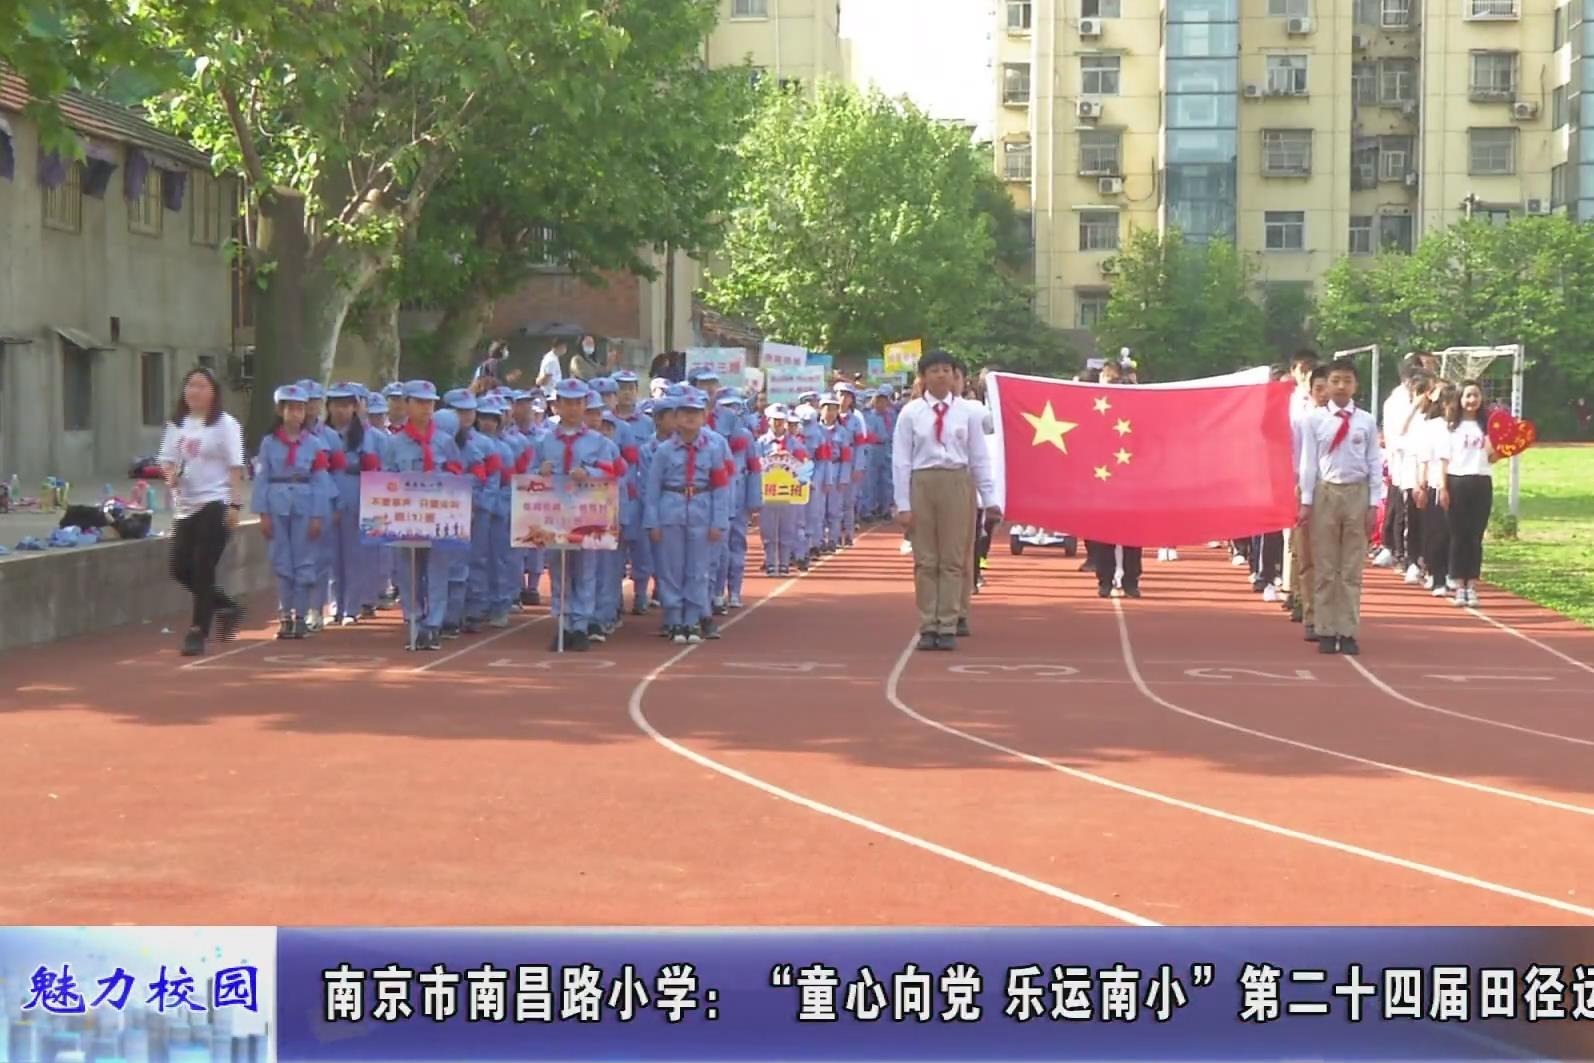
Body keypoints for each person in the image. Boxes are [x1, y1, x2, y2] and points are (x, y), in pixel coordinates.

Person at [892, 349, 999, 652]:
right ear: (923, 378)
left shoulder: (967, 412)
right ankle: (928, 623)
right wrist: (903, 504)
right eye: (934, 370)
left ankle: (949, 622)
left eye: (946, 370)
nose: (941, 375)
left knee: (953, 558)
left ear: (955, 377)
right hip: (922, 481)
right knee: (926, 559)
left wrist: (989, 498)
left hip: (957, 481)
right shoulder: (911, 413)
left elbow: (979, 457)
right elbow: (900, 459)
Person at [1298, 359, 1384, 656]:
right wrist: (1306, 502)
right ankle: (1324, 628)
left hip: (1356, 493)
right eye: (1335, 380)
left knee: (1351, 567)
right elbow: (1308, 462)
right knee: (1325, 565)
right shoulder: (1315, 420)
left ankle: (1347, 630)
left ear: (1355, 385)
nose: (1340, 386)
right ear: (1327, 384)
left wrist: (1374, 502)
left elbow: (1374, 462)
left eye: (1347, 380)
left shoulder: (1366, 421)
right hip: (1325, 492)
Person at [160, 366, 247, 657]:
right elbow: (167, 460)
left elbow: (236, 467)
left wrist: (235, 504)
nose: (194, 391)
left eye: (201, 386)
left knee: (202, 566)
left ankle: (198, 630)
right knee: (179, 568)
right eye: (190, 386)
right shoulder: (177, 424)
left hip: (215, 501)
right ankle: (225, 604)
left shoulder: (225, 425)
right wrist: (170, 475)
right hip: (185, 505)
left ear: (214, 392)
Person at [644, 388, 733, 644]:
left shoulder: (713, 450)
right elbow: (652, 488)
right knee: (671, 568)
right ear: (676, 417)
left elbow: (720, 487)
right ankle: (673, 619)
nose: (690, 418)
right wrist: (652, 522)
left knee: (698, 569)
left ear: (705, 417)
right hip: (670, 509)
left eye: (696, 413)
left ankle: (692, 619)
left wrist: (719, 521)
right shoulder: (664, 451)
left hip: (702, 511)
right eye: (685, 413)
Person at [252, 383, 334, 641]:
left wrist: (318, 515)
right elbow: (261, 478)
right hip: (277, 503)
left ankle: (301, 615)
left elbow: (321, 481)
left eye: (301, 408)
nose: (297, 414)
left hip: (305, 502)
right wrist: (262, 513)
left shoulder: (314, 444)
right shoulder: (268, 443)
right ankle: (285, 614)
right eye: (292, 408)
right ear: (280, 410)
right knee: (281, 561)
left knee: (305, 561)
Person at [1440, 379, 1501, 607]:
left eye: (1476, 395)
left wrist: (1500, 449)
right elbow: (1444, 461)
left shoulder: (1487, 427)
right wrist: (1443, 488)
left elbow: (1493, 458)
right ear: (1460, 399)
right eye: (1467, 396)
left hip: (1481, 481)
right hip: (1457, 482)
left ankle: (1472, 585)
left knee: (1475, 536)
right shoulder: (1451, 427)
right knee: (1458, 535)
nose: (1472, 400)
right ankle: (1457, 584)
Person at [1088, 360, 1144, 598]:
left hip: (1133, 480)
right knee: (1104, 533)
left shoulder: (1139, 413)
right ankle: (1105, 579)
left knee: (1133, 534)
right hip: (1104, 479)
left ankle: (1131, 580)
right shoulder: (1097, 412)